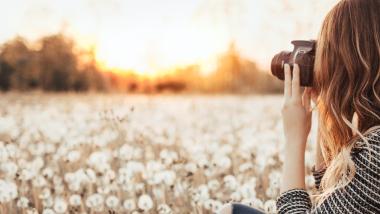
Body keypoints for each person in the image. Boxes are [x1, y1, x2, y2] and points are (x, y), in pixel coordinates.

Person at [218, 0, 380, 213]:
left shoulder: (376, 151)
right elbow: (330, 195)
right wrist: (324, 109)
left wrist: (294, 139)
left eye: (327, 50)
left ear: (349, 64)